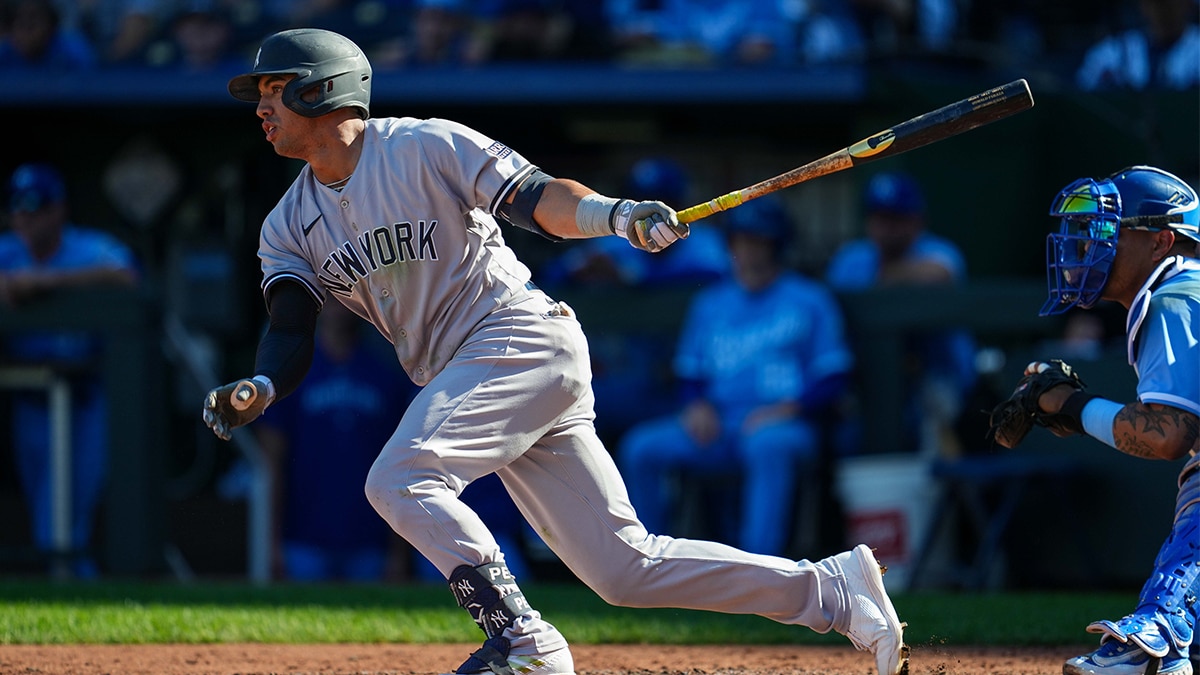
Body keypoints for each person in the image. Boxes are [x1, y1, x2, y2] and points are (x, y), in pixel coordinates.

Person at [202, 28, 907, 675]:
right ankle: (834, 591)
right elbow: (291, 323)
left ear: (321, 90)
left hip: (516, 337)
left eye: (272, 90)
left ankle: (520, 637)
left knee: (399, 477)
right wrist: (263, 383)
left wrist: (618, 215)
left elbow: (537, 197)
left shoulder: (422, 145)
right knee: (624, 569)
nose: (261, 108)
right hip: (469, 372)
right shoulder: (288, 223)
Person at [1013, 165, 1198, 675]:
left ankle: (1155, 637)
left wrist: (1072, 405)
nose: (1091, 243)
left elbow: (1167, 436)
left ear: (1161, 241)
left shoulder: (1178, 295)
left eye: (1109, 231)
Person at [617, 197, 854, 557]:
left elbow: (833, 375)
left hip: (784, 421)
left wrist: (788, 410)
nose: (750, 253)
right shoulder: (712, 302)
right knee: (641, 448)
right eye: (742, 242)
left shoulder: (810, 299)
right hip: (720, 422)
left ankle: (760, 567)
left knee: (767, 445)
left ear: (778, 245)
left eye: (759, 242)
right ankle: (645, 562)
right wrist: (696, 406)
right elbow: (690, 373)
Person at [0, 162, 140, 578]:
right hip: (30, 401)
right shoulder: (8, 248)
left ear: (57, 210)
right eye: (17, 209)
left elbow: (127, 276)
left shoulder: (86, 247)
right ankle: (73, 583)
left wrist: (45, 282)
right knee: (47, 506)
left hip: (84, 399)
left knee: (67, 512)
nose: (24, 218)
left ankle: (75, 584)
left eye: (34, 208)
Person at [253, 299, 420, 582]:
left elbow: (404, 468)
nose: (336, 306)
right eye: (327, 299)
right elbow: (270, 466)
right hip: (302, 537)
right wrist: (269, 545)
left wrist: (399, 553)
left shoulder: (386, 376)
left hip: (371, 538)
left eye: (344, 299)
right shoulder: (290, 376)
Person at [825, 171, 976, 456]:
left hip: (937, 376)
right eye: (878, 217)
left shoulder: (937, 250)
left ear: (916, 220)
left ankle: (943, 494)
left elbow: (940, 273)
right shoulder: (852, 258)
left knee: (932, 423)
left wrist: (887, 278)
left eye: (894, 218)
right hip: (868, 381)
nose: (885, 228)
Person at [1075, 0, 1200, 91]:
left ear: (1188, 4)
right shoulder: (1114, 51)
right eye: (1156, 3)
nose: (1162, 11)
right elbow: (1082, 92)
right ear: (1143, 6)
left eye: (1170, 3)